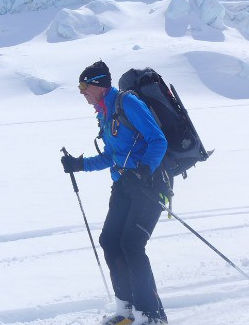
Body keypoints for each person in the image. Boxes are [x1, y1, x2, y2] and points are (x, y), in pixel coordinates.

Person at [61, 60, 171, 325]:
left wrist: (145, 170)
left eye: (84, 85)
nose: (82, 91)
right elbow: (112, 155)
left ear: (99, 85)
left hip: (150, 184)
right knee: (110, 241)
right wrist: (80, 165)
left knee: (132, 244)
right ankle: (127, 310)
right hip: (124, 184)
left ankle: (153, 315)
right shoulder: (104, 111)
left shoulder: (127, 103)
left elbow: (158, 140)